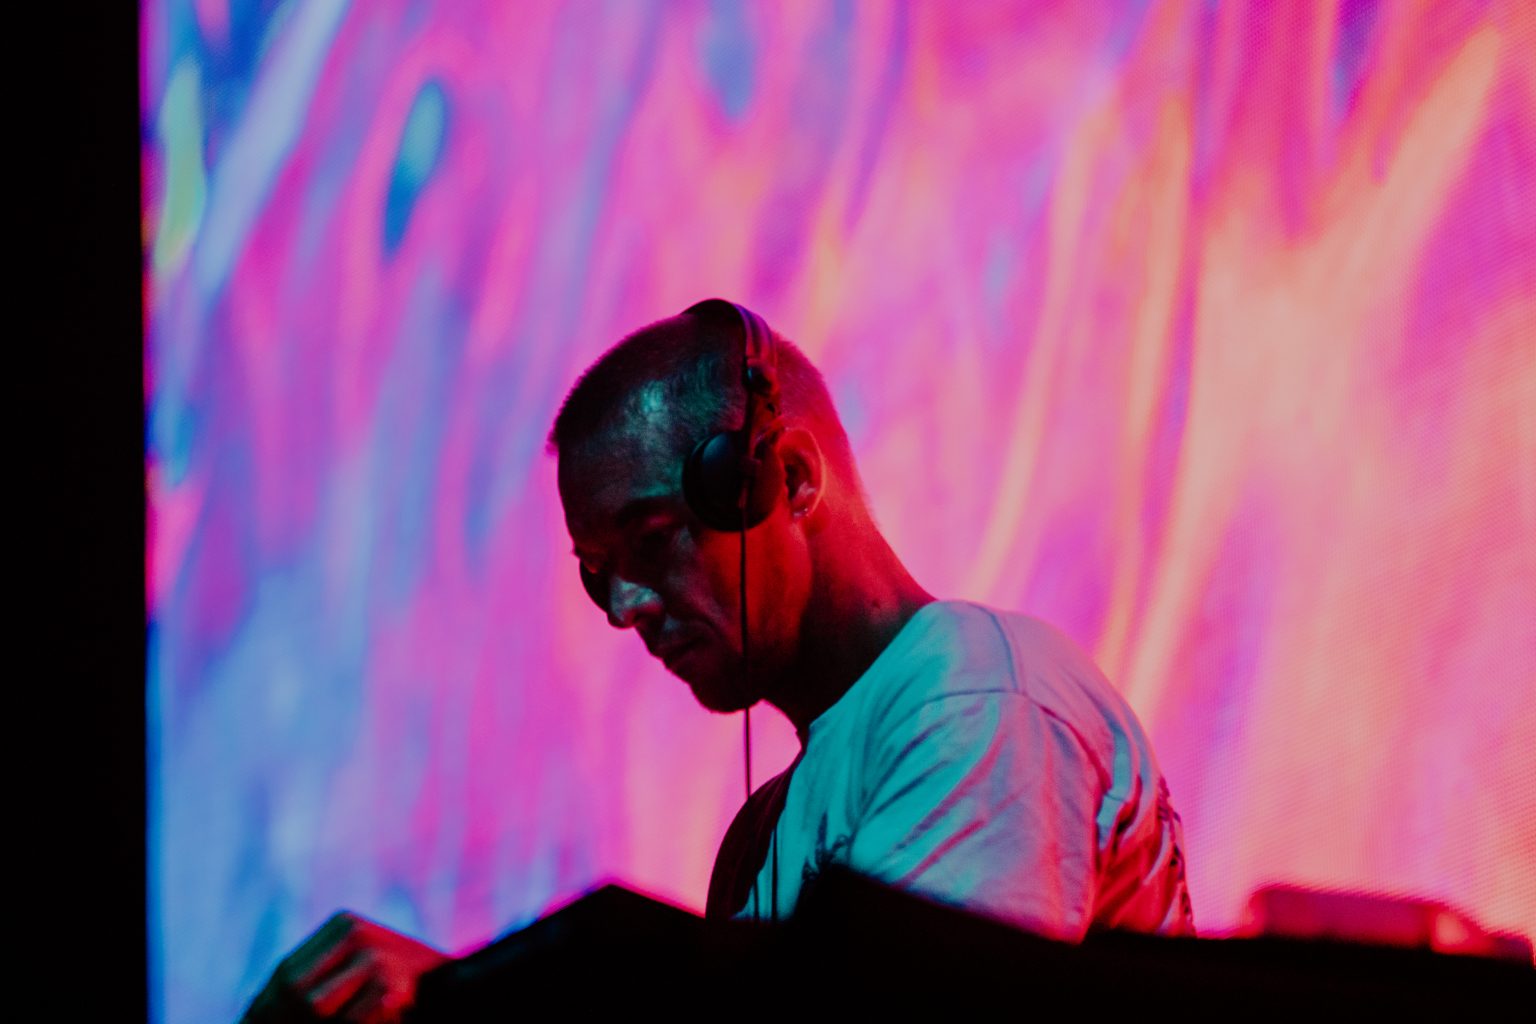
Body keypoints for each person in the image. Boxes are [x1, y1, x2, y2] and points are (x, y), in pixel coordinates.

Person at [243, 298, 1193, 1022]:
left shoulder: (971, 694)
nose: (625, 609)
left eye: (653, 541)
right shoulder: (762, 835)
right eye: (599, 574)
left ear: (790, 480)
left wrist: (475, 1006)